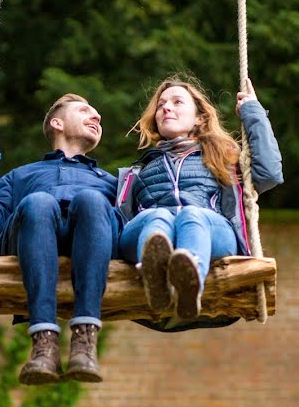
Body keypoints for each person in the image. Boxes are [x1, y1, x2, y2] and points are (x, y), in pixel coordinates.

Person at [0, 94, 120, 385]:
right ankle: (43, 343)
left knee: (91, 200)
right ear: (57, 123)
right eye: (86, 110)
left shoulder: (111, 182)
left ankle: (85, 340)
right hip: (33, 234)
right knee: (39, 202)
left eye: (97, 113)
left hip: (91, 240)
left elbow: (124, 231)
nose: (97, 117)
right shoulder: (21, 176)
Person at [116, 75, 283, 323]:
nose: (165, 107)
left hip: (208, 231)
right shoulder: (135, 173)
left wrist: (253, 112)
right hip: (149, 230)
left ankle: (189, 281)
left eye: (176, 102)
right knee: (157, 216)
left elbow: (269, 174)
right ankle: (156, 280)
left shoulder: (221, 159)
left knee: (190, 214)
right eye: (161, 104)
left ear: (200, 118)